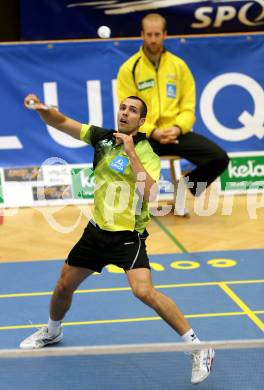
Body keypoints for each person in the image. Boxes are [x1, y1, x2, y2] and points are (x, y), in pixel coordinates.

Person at [20, 94, 214, 385]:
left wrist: (131, 153)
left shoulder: (147, 150)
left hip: (127, 238)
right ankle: (52, 330)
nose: (125, 113)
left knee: (144, 292)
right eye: (123, 107)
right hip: (96, 232)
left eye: (132, 110)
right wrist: (41, 109)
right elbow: (60, 122)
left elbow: (150, 194)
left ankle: (200, 348)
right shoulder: (101, 138)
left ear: (141, 120)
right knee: (63, 285)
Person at [117, 13, 229, 214]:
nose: (153, 39)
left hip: (175, 133)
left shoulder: (179, 66)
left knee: (219, 158)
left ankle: (187, 186)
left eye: (157, 34)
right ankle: (135, 207)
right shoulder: (129, 69)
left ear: (165, 35)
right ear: (142, 34)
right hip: (146, 134)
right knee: (132, 160)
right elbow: (127, 111)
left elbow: (188, 106)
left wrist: (177, 129)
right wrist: (153, 131)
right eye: (149, 34)